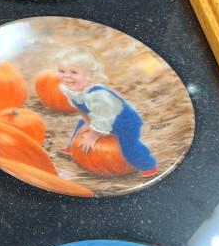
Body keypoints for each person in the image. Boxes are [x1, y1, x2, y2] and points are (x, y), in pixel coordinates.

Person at [54, 47, 158, 177]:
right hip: (101, 117)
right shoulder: (70, 90)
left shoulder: (98, 96)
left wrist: (93, 135)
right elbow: (81, 108)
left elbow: (103, 117)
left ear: (89, 76)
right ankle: (71, 149)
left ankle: (149, 166)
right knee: (81, 124)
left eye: (74, 72)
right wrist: (88, 122)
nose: (66, 76)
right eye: (61, 71)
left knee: (129, 146)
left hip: (124, 122)